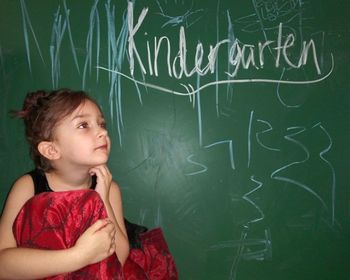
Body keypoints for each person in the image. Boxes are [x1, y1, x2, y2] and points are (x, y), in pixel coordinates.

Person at [0, 89, 178, 279]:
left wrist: (104, 198)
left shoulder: (109, 189)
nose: (102, 131)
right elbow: (3, 266)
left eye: (101, 123)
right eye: (84, 125)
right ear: (51, 150)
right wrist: (79, 256)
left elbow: (120, 256)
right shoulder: (28, 186)